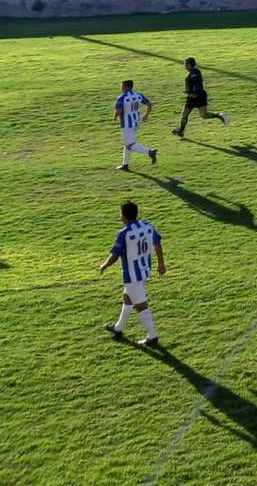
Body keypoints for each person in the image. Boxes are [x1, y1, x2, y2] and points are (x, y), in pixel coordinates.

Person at [100, 200, 165, 348]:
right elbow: (157, 244)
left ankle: (152, 336)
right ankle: (118, 328)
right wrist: (161, 263)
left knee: (141, 305)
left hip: (132, 275)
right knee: (127, 298)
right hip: (144, 269)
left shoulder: (124, 234)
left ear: (123, 216)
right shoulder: (147, 226)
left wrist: (104, 265)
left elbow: (115, 255)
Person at [172, 57, 227, 137]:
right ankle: (219, 115)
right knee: (203, 115)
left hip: (195, 96)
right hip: (197, 95)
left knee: (186, 114)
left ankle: (181, 130)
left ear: (190, 65)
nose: (184, 66)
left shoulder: (194, 73)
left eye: (185, 64)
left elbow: (197, 84)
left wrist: (193, 92)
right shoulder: (193, 72)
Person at [114, 80, 157, 171]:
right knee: (127, 144)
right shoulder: (138, 95)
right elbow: (149, 104)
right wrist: (146, 115)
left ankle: (150, 152)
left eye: (122, 86)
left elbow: (119, 111)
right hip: (136, 122)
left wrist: (114, 117)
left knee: (130, 144)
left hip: (126, 124)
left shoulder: (121, 98)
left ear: (126, 87)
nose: (121, 88)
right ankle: (125, 164)